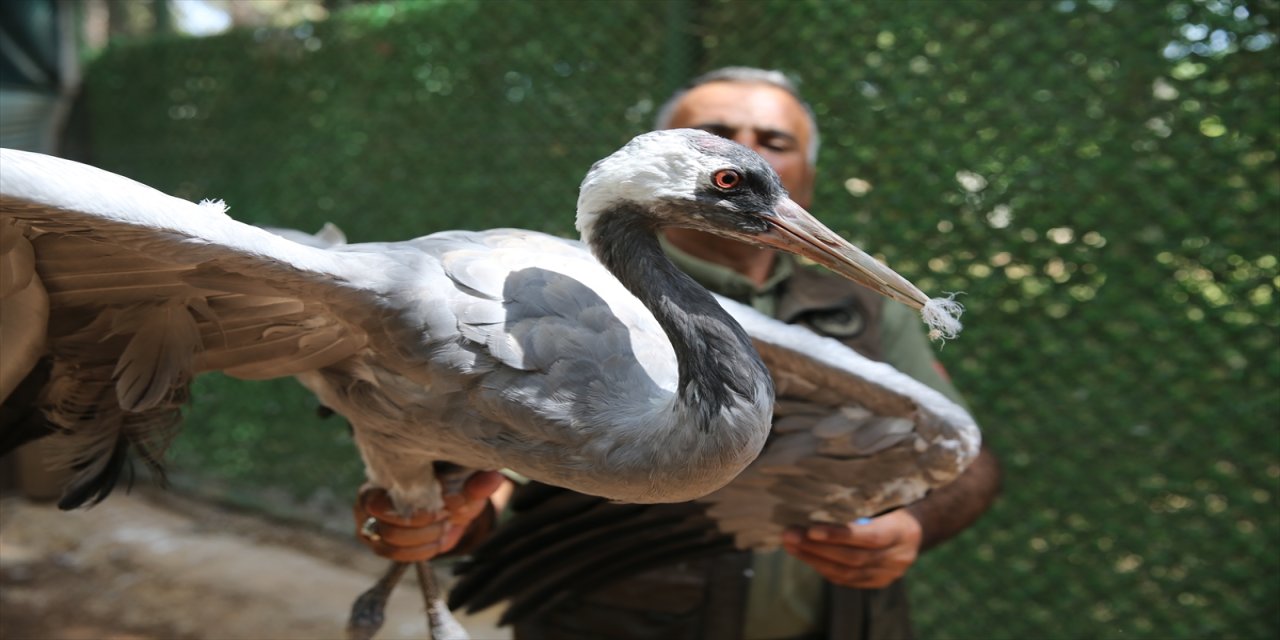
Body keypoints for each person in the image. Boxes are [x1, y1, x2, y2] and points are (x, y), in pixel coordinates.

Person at [355, 67, 1001, 639]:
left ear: (804, 171)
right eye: (718, 138)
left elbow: (964, 464)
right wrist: (451, 513)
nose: (743, 149)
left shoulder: (867, 309)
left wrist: (912, 528)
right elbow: (498, 443)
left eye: (774, 143)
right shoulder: (570, 291)